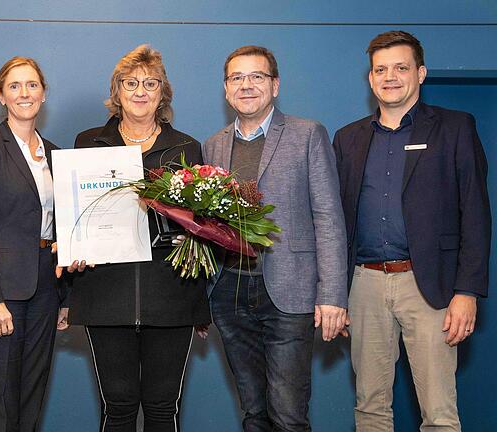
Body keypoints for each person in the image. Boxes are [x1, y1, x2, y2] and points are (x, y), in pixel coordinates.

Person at [333, 30, 490, 431]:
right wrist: (336, 293)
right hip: (363, 285)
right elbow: (335, 222)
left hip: (432, 288)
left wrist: (467, 291)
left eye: (401, 67)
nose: (390, 76)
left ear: (420, 73)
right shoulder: (348, 138)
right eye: (380, 69)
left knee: (438, 412)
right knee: (370, 407)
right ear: (370, 79)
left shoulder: (455, 128)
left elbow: (475, 213)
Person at [65, 45, 211, 432]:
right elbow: (75, 216)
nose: (140, 91)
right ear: (117, 90)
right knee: (118, 409)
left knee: (164, 409)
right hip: (104, 295)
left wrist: (198, 303)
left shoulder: (186, 147)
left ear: (163, 93)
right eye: (131, 83)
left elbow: (202, 231)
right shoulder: (88, 143)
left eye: (151, 83)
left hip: (171, 296)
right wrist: (75, 250)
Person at [202, 46, 348, 431]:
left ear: (275, 84)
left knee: (287, 414)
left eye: (257, 77)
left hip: (289, 292)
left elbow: (329, 217)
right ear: (226, 88)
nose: (246, 85)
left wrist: (332, 294)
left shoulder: (307, 134)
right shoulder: (213, 145)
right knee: (253, 412)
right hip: (229, 293)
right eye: (237, 78)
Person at [0, 56, 66, 432]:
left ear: (44, 93)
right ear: (1, 96)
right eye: (15, 86)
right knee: (1, 400)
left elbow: (64, 226)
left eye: (32, 85)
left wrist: (64, 297)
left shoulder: (55, 153)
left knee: (31, 396)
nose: (25, 93)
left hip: (44, 286)